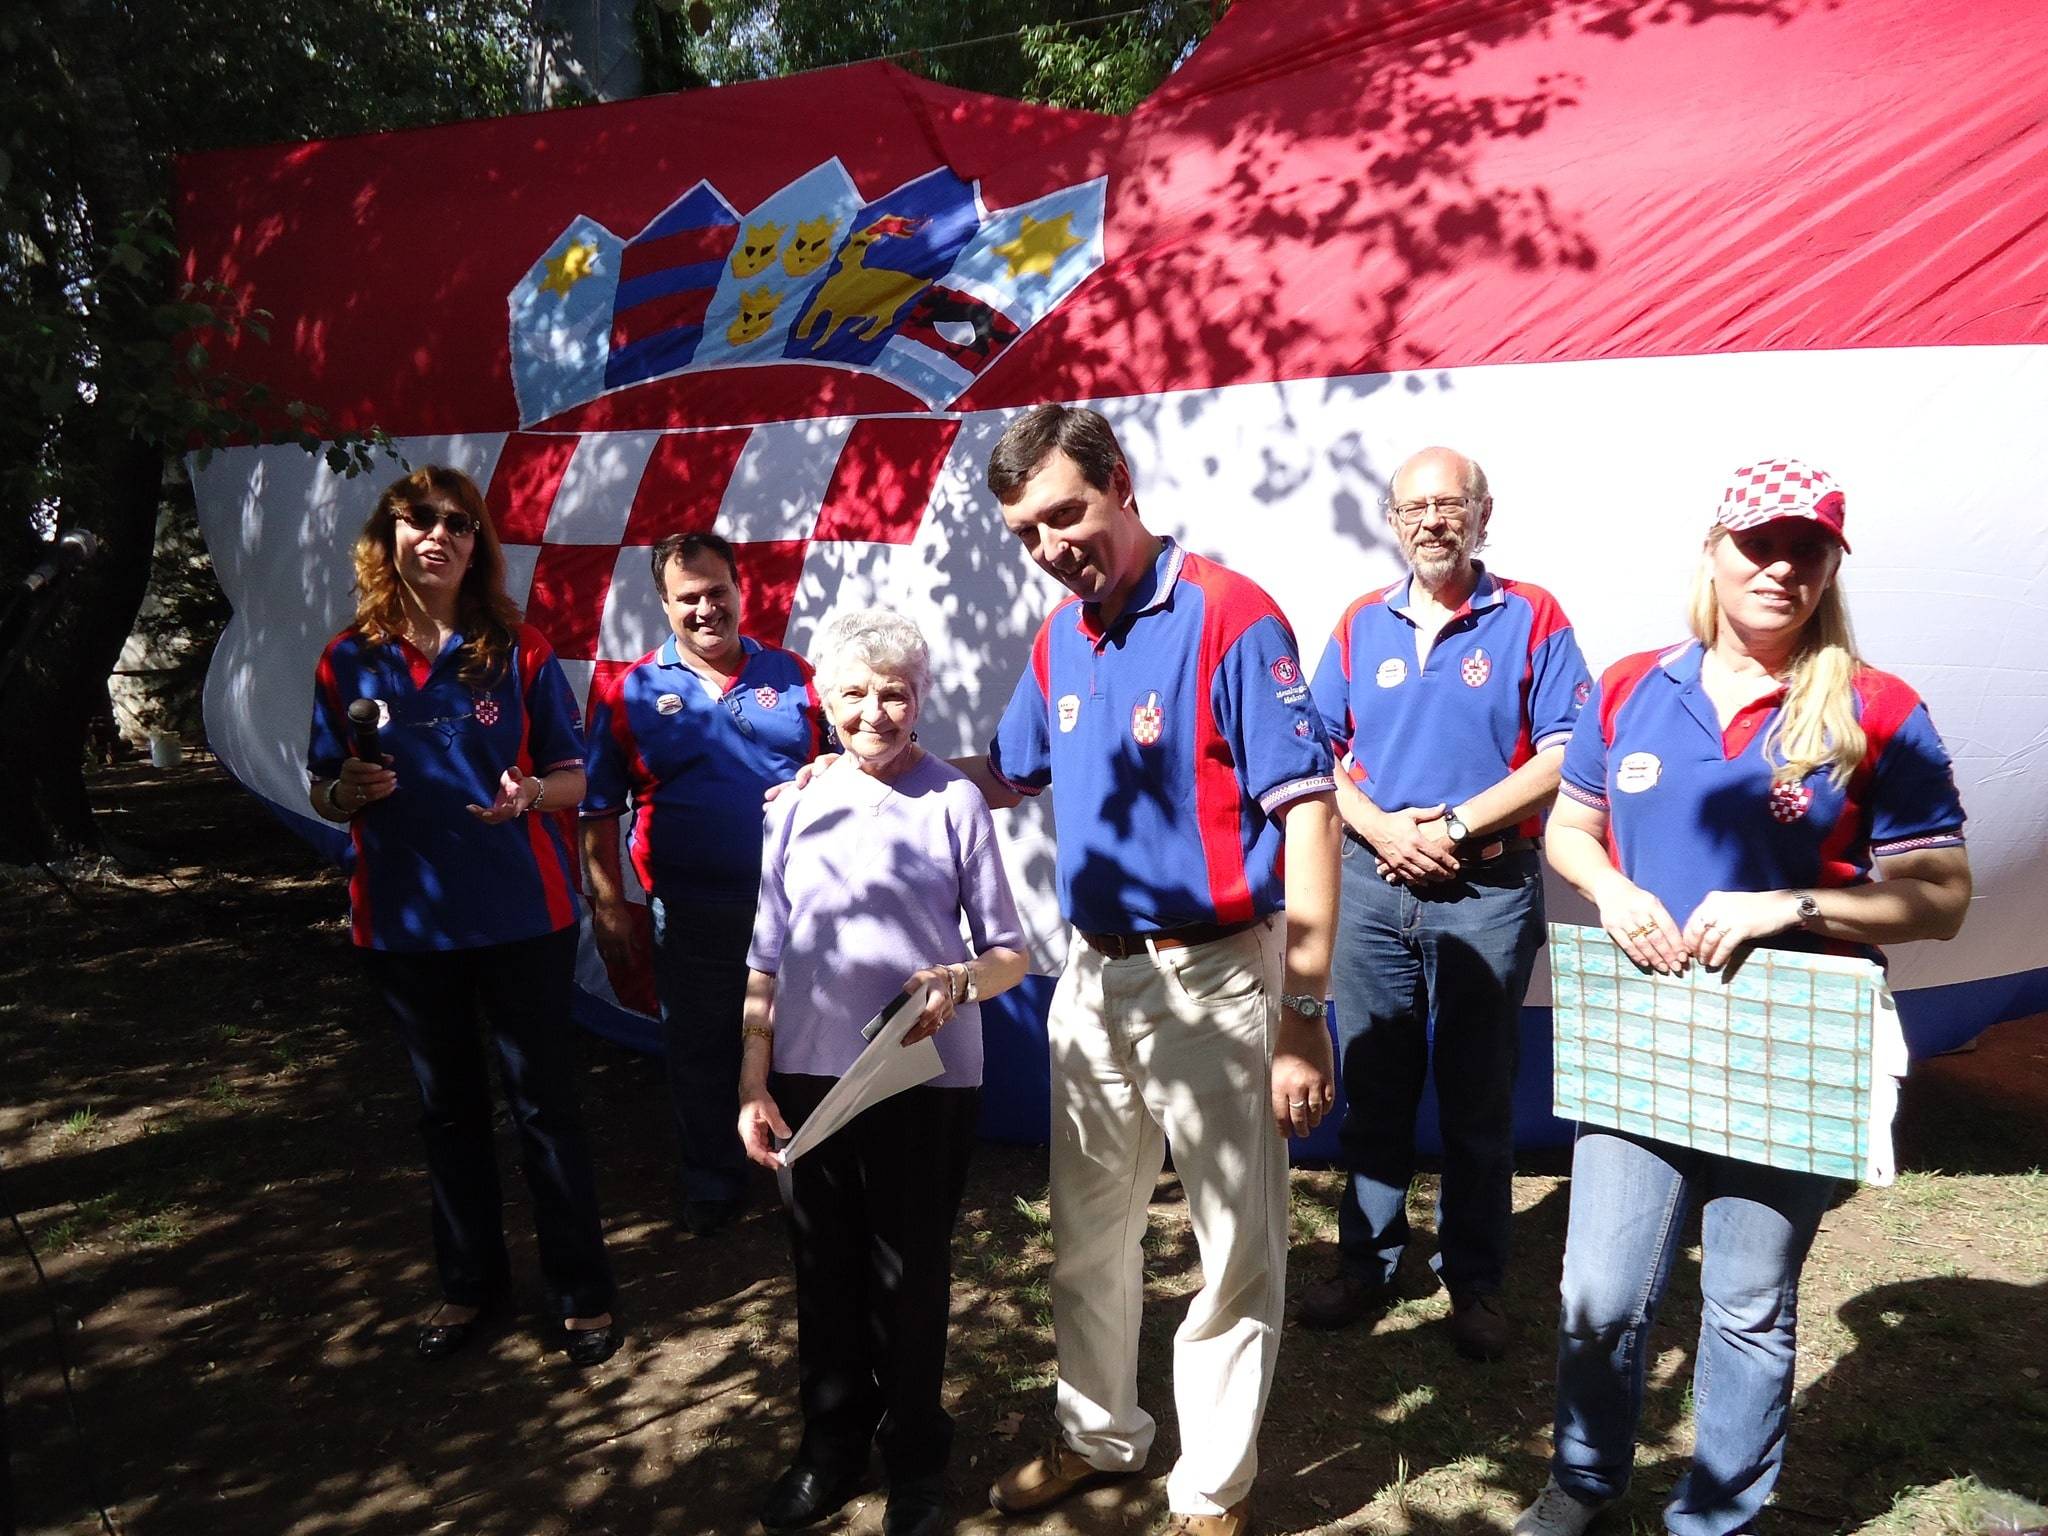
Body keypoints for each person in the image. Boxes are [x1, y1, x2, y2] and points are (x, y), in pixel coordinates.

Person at [1514, 460, 1971, 1536]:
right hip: (1644, 1031)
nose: (1778, 567)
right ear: (1711, 551)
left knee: (1747, 1304)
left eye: (1805, 549)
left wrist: (1790, 906)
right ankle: (1582, 1485)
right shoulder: (1630, 686)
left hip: (1787, 1043)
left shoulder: (1877, 707)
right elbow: (1568, 828)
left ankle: (1715, 1515)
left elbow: (1941, 897)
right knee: (1598, 1294)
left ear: (1831, 568)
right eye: (1756, 543)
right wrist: (1611, 888)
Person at [961, 405, 1342, 1536]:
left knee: (1233, 1248)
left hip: (1216, 979)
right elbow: (1007, 772)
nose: (1050, 547)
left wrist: (1303, 1013)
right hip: (1092, 979)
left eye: (1064, 515)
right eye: (1027, 533)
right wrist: (874, 771)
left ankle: (1211, 1493)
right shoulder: (1059, 637)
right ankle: (1097, 1438)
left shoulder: (1231, 615)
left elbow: (1311, 819)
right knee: (1085, 1232)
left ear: (1119, 482)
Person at [307, 465, 619, 1366]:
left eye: (458, 522)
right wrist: (345, 790)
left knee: (544, 1107)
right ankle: (469, 1285)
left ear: (477, 545)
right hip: (406, 926)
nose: (438, 534)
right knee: (446, 1113)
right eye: (419, 519)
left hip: (524, 917)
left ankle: (582, 1294)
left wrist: (531, 797)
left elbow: (576, 777)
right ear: (390, 536)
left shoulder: (519, 650)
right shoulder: (346, 657)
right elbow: (322, 788)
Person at [736, 609, 1029, 1536]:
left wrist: (959, 981)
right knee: (823, 1269)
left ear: (921, 698)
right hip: (806, 1077)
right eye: (855, 693)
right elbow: (765, 957)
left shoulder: (954, 801)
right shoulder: (794, 804)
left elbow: (1011, 952)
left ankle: (915, 1461)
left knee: (910, 1275)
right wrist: (752, 1079)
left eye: (894, 692)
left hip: (925, 1077)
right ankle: (829, 1449)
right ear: (825, 700)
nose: (875, 712)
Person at [1298, 446, 1590, 1359]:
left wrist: (1457, 826)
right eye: (1414, 508)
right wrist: (1384, 831)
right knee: (1375, 1085)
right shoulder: (1360, 622)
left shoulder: (1533, 616)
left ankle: (1475, 1281)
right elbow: (1315, 753)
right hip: (1372, 885)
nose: (1432, 521)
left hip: (1487, 890)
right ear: (1393, 521)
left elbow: (1567, 751)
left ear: (1482, 514)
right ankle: (1368, 1263)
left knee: (1477, 1094)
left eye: (1450, 504)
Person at [581, 531, 826, 1237]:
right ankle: (714, 1186)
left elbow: (850, 768)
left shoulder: (796, 675)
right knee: (700, 1049)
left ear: (741, 590)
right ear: (664, 604)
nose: (705, 608)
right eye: (687, 597)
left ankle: (808, 1174)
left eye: (718, 591)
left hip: (799, 905)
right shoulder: (632, 691)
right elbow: (596, 811)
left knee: (805, 1041)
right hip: (690, 911)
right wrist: (608, 905)